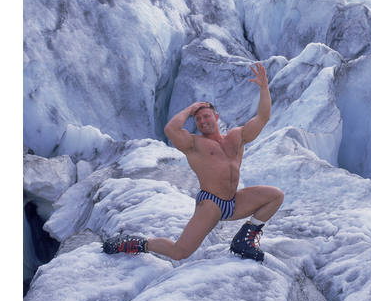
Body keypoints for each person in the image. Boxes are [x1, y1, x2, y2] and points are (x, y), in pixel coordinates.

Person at [103, 62, 284, 262]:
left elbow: (263, 117)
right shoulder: (194, 144)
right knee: (179, 252)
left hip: (234, 202)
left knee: (275, 196)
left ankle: (243, 241)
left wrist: (263, 86)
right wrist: (190, 109)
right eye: (197, 119)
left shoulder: (236, 137)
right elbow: (171, 130)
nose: (202, 121)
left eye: (206, 116)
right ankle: (136, 243)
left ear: (216, 116)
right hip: (211, 204)